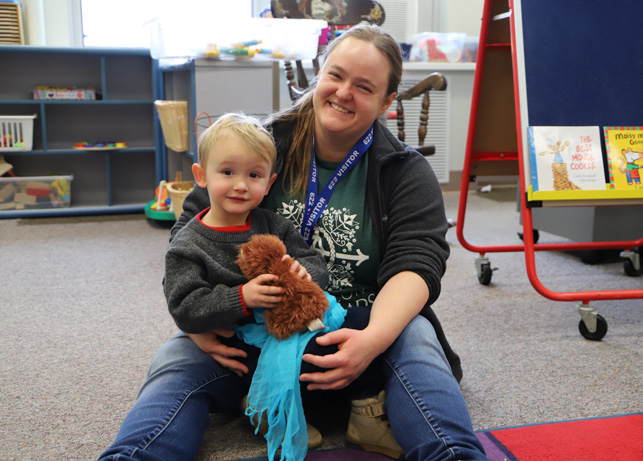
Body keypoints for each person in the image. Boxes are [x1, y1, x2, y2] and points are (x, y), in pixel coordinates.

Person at [101, 23, 487, 461]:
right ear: (319, 74)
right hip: (253, 331)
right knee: (175, 361)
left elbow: (417, 264)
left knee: (417, 336)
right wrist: (201, 322)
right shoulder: (257, 145)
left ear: (386, 101)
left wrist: (374, 340)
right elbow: (190, 231)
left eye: (364, 87)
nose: (343, 93)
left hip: (360, 326)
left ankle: (455, 455)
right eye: (336, 75)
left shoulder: (405, 170)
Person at [160, 112, 397, 459]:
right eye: (227, 172)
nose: (241, 185)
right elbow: (184, 305)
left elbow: (313, 261)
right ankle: (266, 407)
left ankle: (365, 414)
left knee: (364, 322)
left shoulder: (274, 224)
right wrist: (242, 298)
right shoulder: (188, 244)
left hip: (298, 323)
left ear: (268, 184)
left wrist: (304, 274)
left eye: (253, 175)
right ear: (201, 177)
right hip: (249, 345)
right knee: (312, 364)